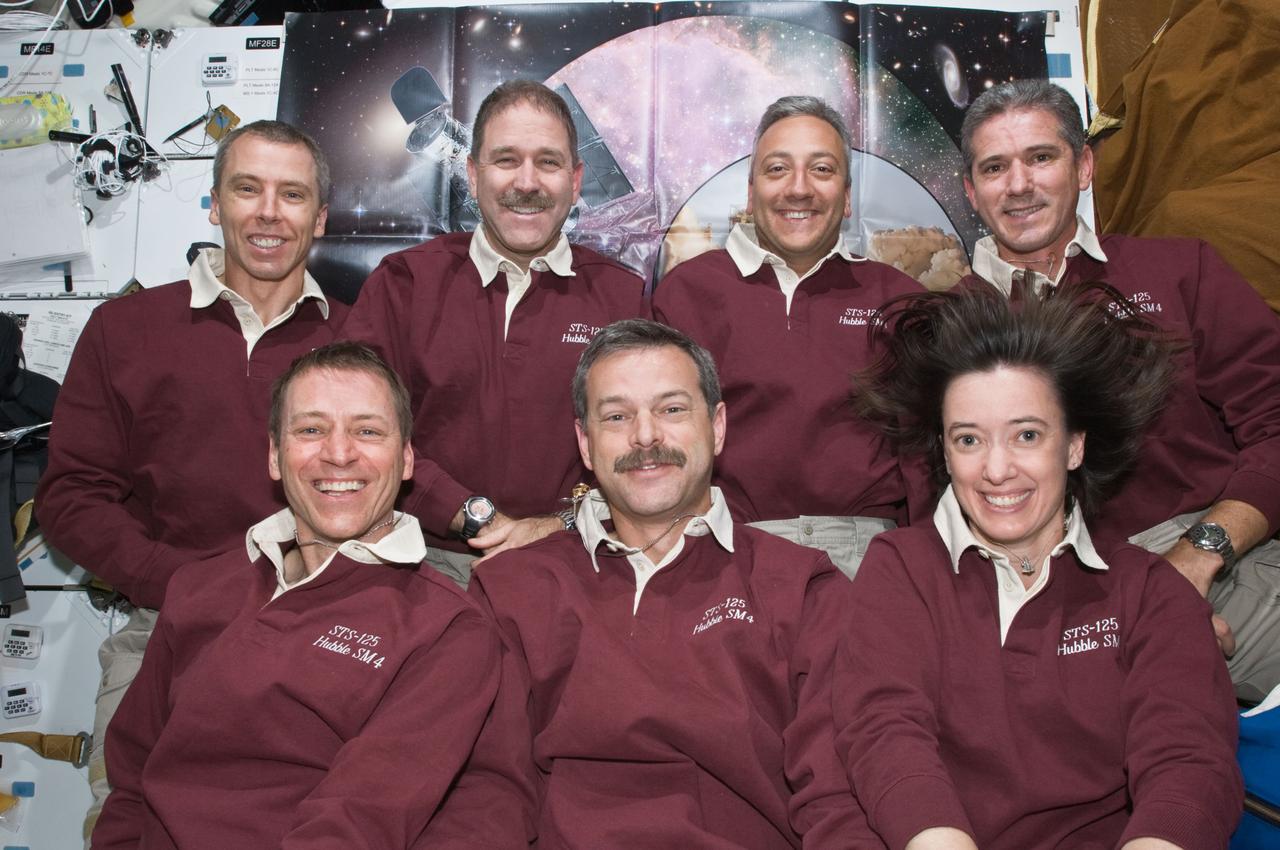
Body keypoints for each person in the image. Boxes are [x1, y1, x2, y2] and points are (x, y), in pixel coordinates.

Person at [833, 284, 1242, 849]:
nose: (997, 469)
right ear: (945, 452)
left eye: (1026, 435)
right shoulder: (901, 569)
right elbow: (885, 733)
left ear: (1074, 446)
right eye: (969, 439)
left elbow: (1190, 764)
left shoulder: (1150, 591)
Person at [35, 119, 346, 838]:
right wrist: (181, 583)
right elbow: (71, 496)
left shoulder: (360, 341)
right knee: (134, 828)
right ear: (213, 204)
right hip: (166, 629)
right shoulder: (126, 329)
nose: (268, 212)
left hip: (325, 631)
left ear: (320, 218)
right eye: (247, 189)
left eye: (292, 195)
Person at [91, 342, 533, 849]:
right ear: (275, 456)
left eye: (368, 431)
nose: (339, 454)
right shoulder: (200, 588)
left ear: (408, 458)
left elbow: (360, 821)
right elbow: (130, 782)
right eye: (310, 430)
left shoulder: (446, 629)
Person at [472, 319, 875, 848]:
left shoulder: (803, 586)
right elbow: (489, 792)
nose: (645, 436)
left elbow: (838, 798)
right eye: (617, 416)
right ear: (585, 444)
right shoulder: (511, 590)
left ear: (718, 426)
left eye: (672, 409)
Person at [957, 78, 1280, 701]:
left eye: (1041, 157)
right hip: (1044, 593)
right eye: (995, 167)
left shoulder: (1178, 271)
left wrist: (1199, 555)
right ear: (971, 191)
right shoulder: (946, 322)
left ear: (1083, 167)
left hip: (1215, 557)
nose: (1019, 184)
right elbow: (938, 509)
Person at [343, 79, 645, 587]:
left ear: (575, 181)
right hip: (418, 563)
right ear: (473, 174)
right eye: (506, 160)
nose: (526, 182)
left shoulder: (622, 297)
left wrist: (559, 526)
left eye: (547, 162)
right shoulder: (405, 283)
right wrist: (472, 516)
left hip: (581, 561)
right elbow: (357, 430)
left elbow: (644, 444)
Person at [653, 95, 926, 579]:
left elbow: (926, 460)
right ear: (750, 191)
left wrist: (925, 575)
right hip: (724, 551)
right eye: (778, 169)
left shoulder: (901, 300)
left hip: (865, 558)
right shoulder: (686, 293)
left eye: (821, 169)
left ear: (847, 198)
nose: (798, 189)